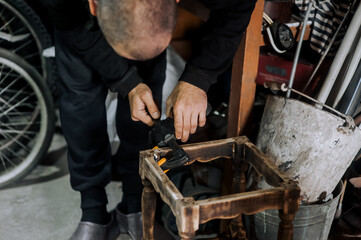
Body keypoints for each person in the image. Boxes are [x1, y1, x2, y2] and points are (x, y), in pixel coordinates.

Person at [39, 0, 256, 239]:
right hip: (77, 23)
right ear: (93, 5)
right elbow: (71, 24)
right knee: (81, 109)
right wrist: (127, 82)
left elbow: (238, 8)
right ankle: (93, 214)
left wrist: (198, 78)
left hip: (142, 20)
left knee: (143, 109)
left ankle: (134, 208)